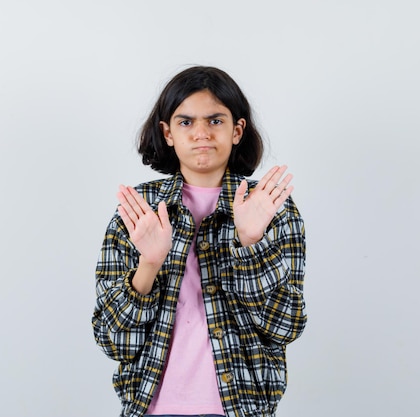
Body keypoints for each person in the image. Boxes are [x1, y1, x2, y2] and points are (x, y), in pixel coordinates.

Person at [92, 66, 307, 417]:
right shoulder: (139, 210)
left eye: (216, 121)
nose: (202, 133)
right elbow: (114, 340)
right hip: (151, 408)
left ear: (238, 130)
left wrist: (251, 243)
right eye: (186, 122)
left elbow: (284, 327)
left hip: (241, 407)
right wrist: (149, 264)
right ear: (168, 133)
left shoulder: (270, 207)